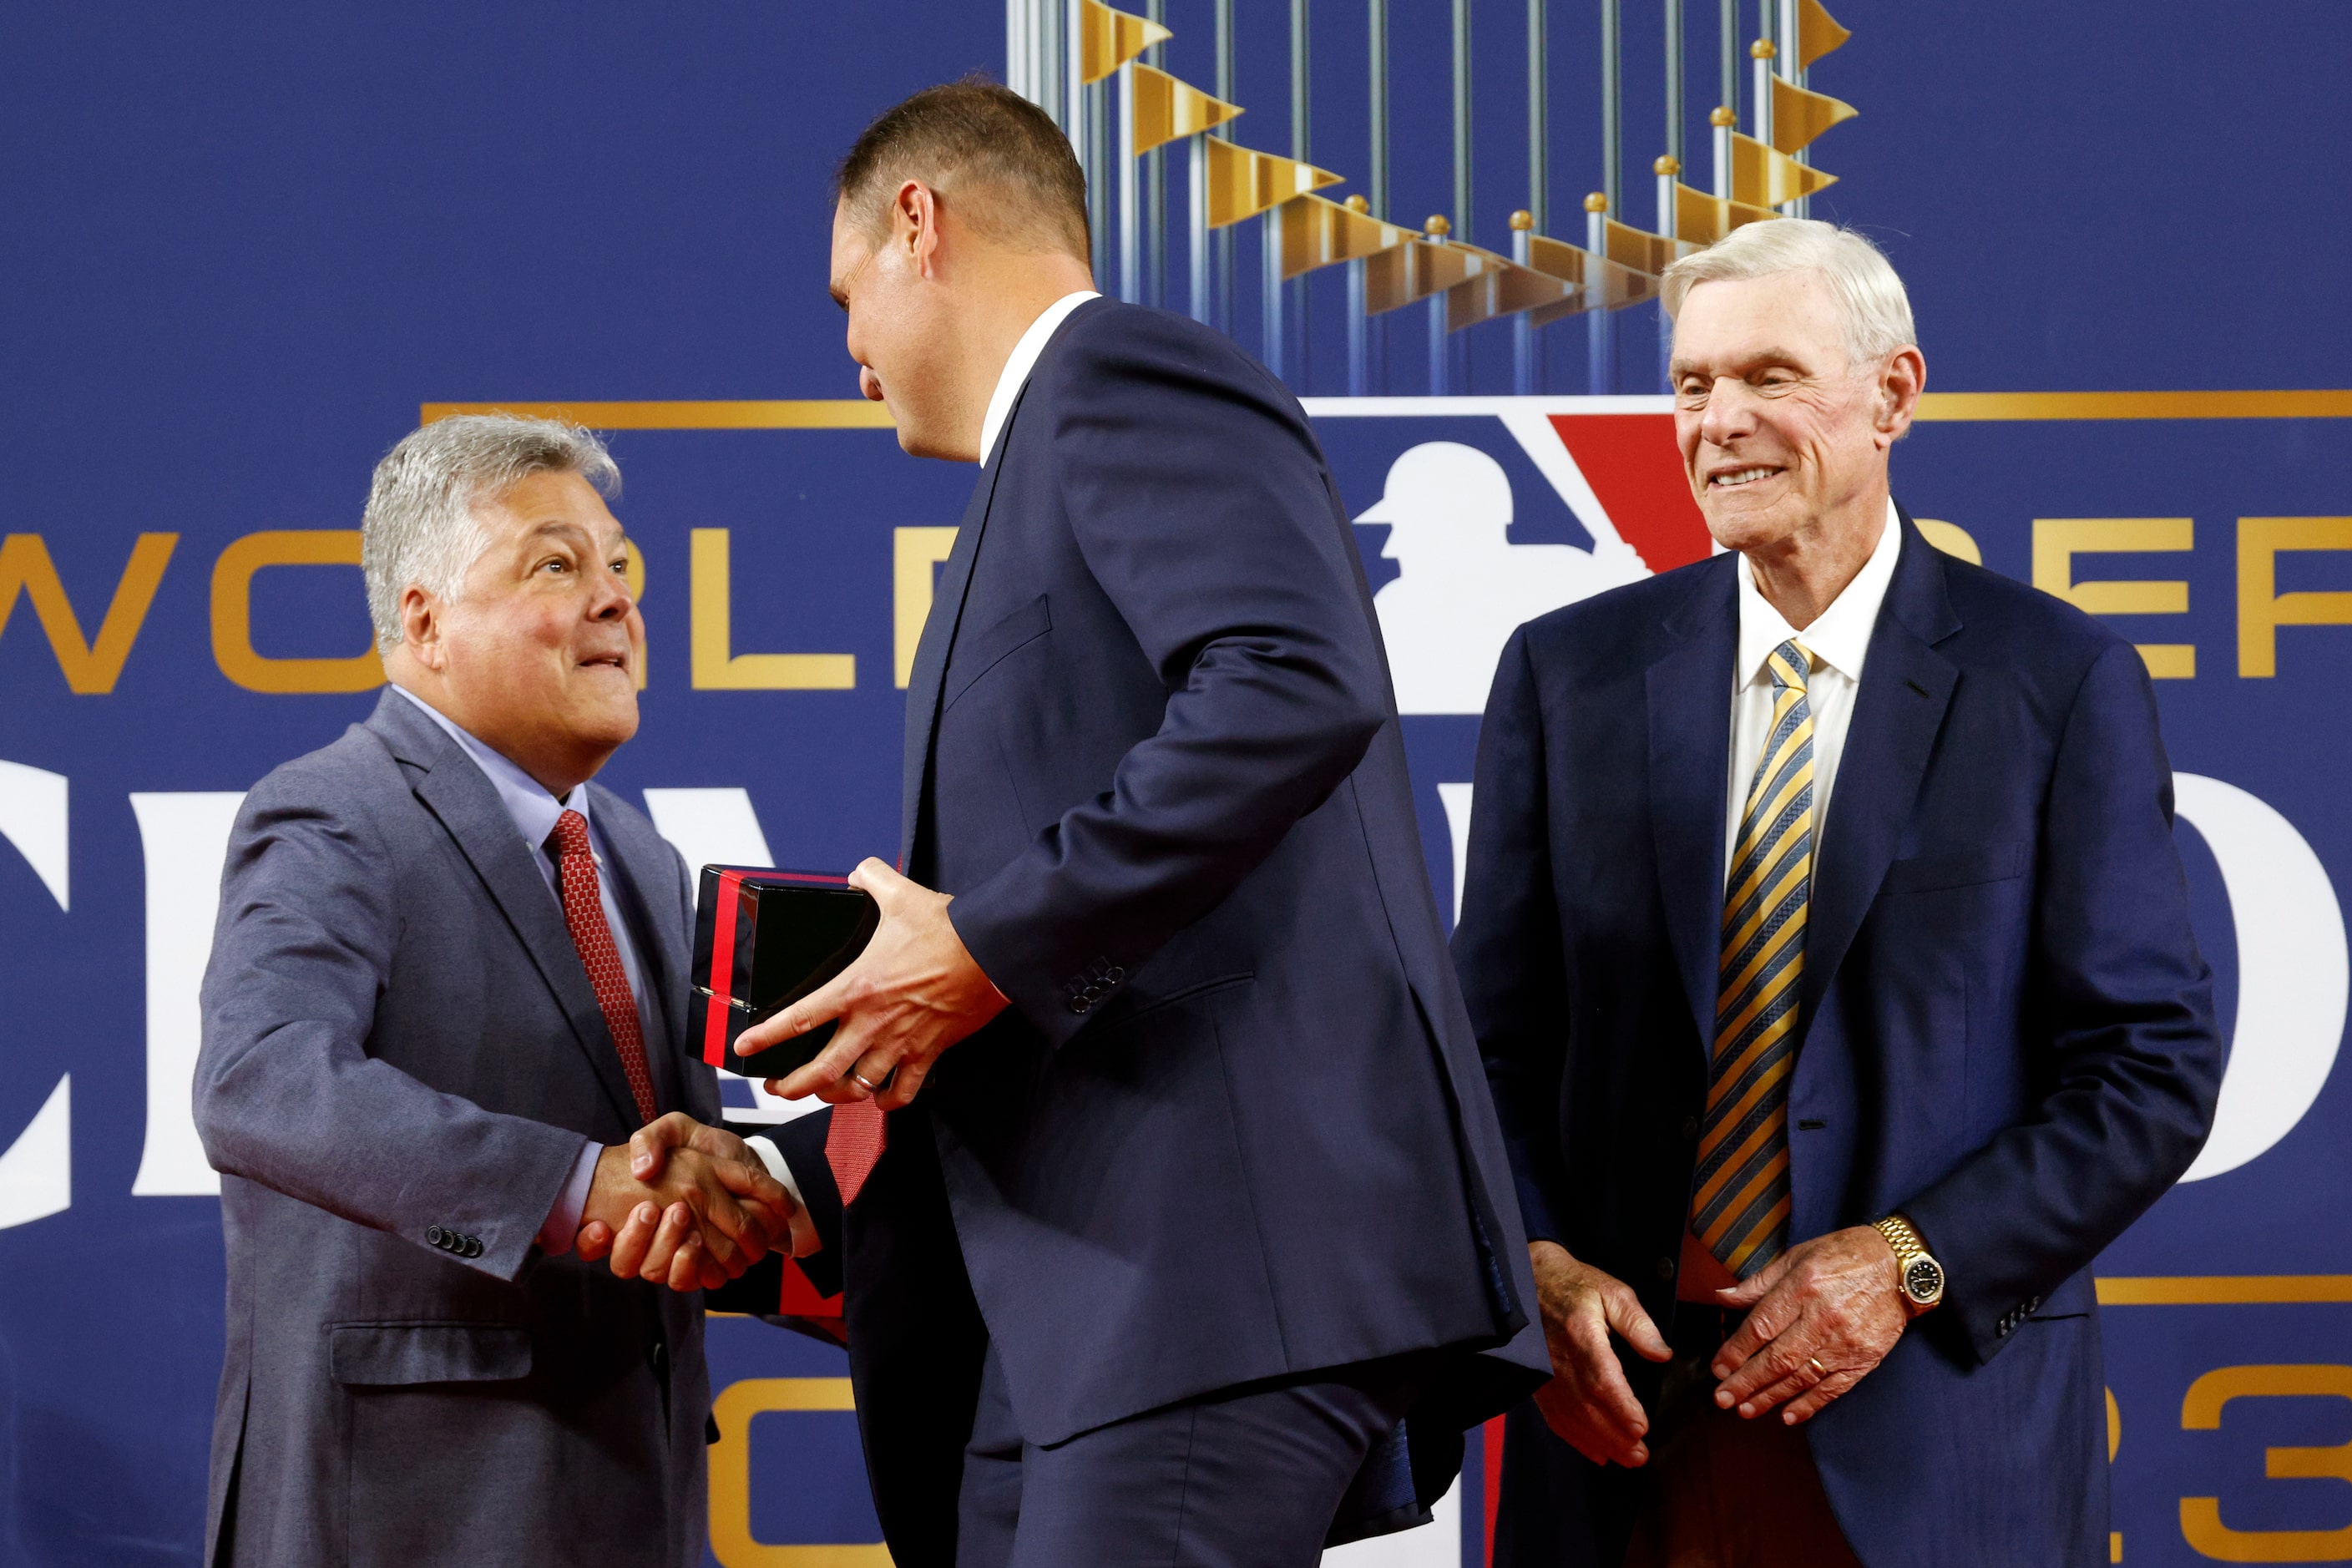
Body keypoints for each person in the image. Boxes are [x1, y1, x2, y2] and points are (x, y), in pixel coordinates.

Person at [612, 78, 1547, 1567]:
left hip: (1200, 1285)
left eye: (847, 295)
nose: (851, 358)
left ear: (919, 223)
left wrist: (983, 942)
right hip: (1069, 1318)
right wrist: (804, 1178)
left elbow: (1295, 681)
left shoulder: (1117, 375)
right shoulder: (1032, 469)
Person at [1453, 220, 2224, 1567]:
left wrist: (1906, 1260)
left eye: (1768, 377)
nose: (1720, 423)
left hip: (1933, 1438)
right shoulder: (1565, 677)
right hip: (1627, 1439)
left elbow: (2148, 1066)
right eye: (1692, 385)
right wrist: (1532, 1266)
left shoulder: (2051, 681)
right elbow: (1487, 1049)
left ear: (1892, 394)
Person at [191, 413, 796, 1568]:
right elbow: (257, 1080)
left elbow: (660, 1182)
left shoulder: (638, 856)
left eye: (619, 566)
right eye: (557, 564)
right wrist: (575, 1187)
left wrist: (765, 1197)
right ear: (422, 620)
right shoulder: (334, 813)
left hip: (636, 1498)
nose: (617, 597)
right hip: (418, 1512)